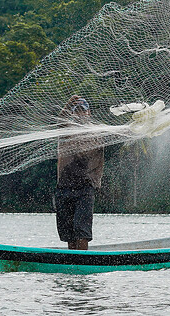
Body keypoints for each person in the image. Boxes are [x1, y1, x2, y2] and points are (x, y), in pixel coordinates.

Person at [54, 95, 104, 250]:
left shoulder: (96, 133)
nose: (81, 114)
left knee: (81, 230)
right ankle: (72, 262)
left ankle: (81, 261)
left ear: (88, 113)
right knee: (68, 232)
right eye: (78, 111)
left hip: (85, 187)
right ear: (73, 113)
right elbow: (59, 120)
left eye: (84, 111)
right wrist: (69, 103)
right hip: (64, 186)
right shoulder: (66, 131)